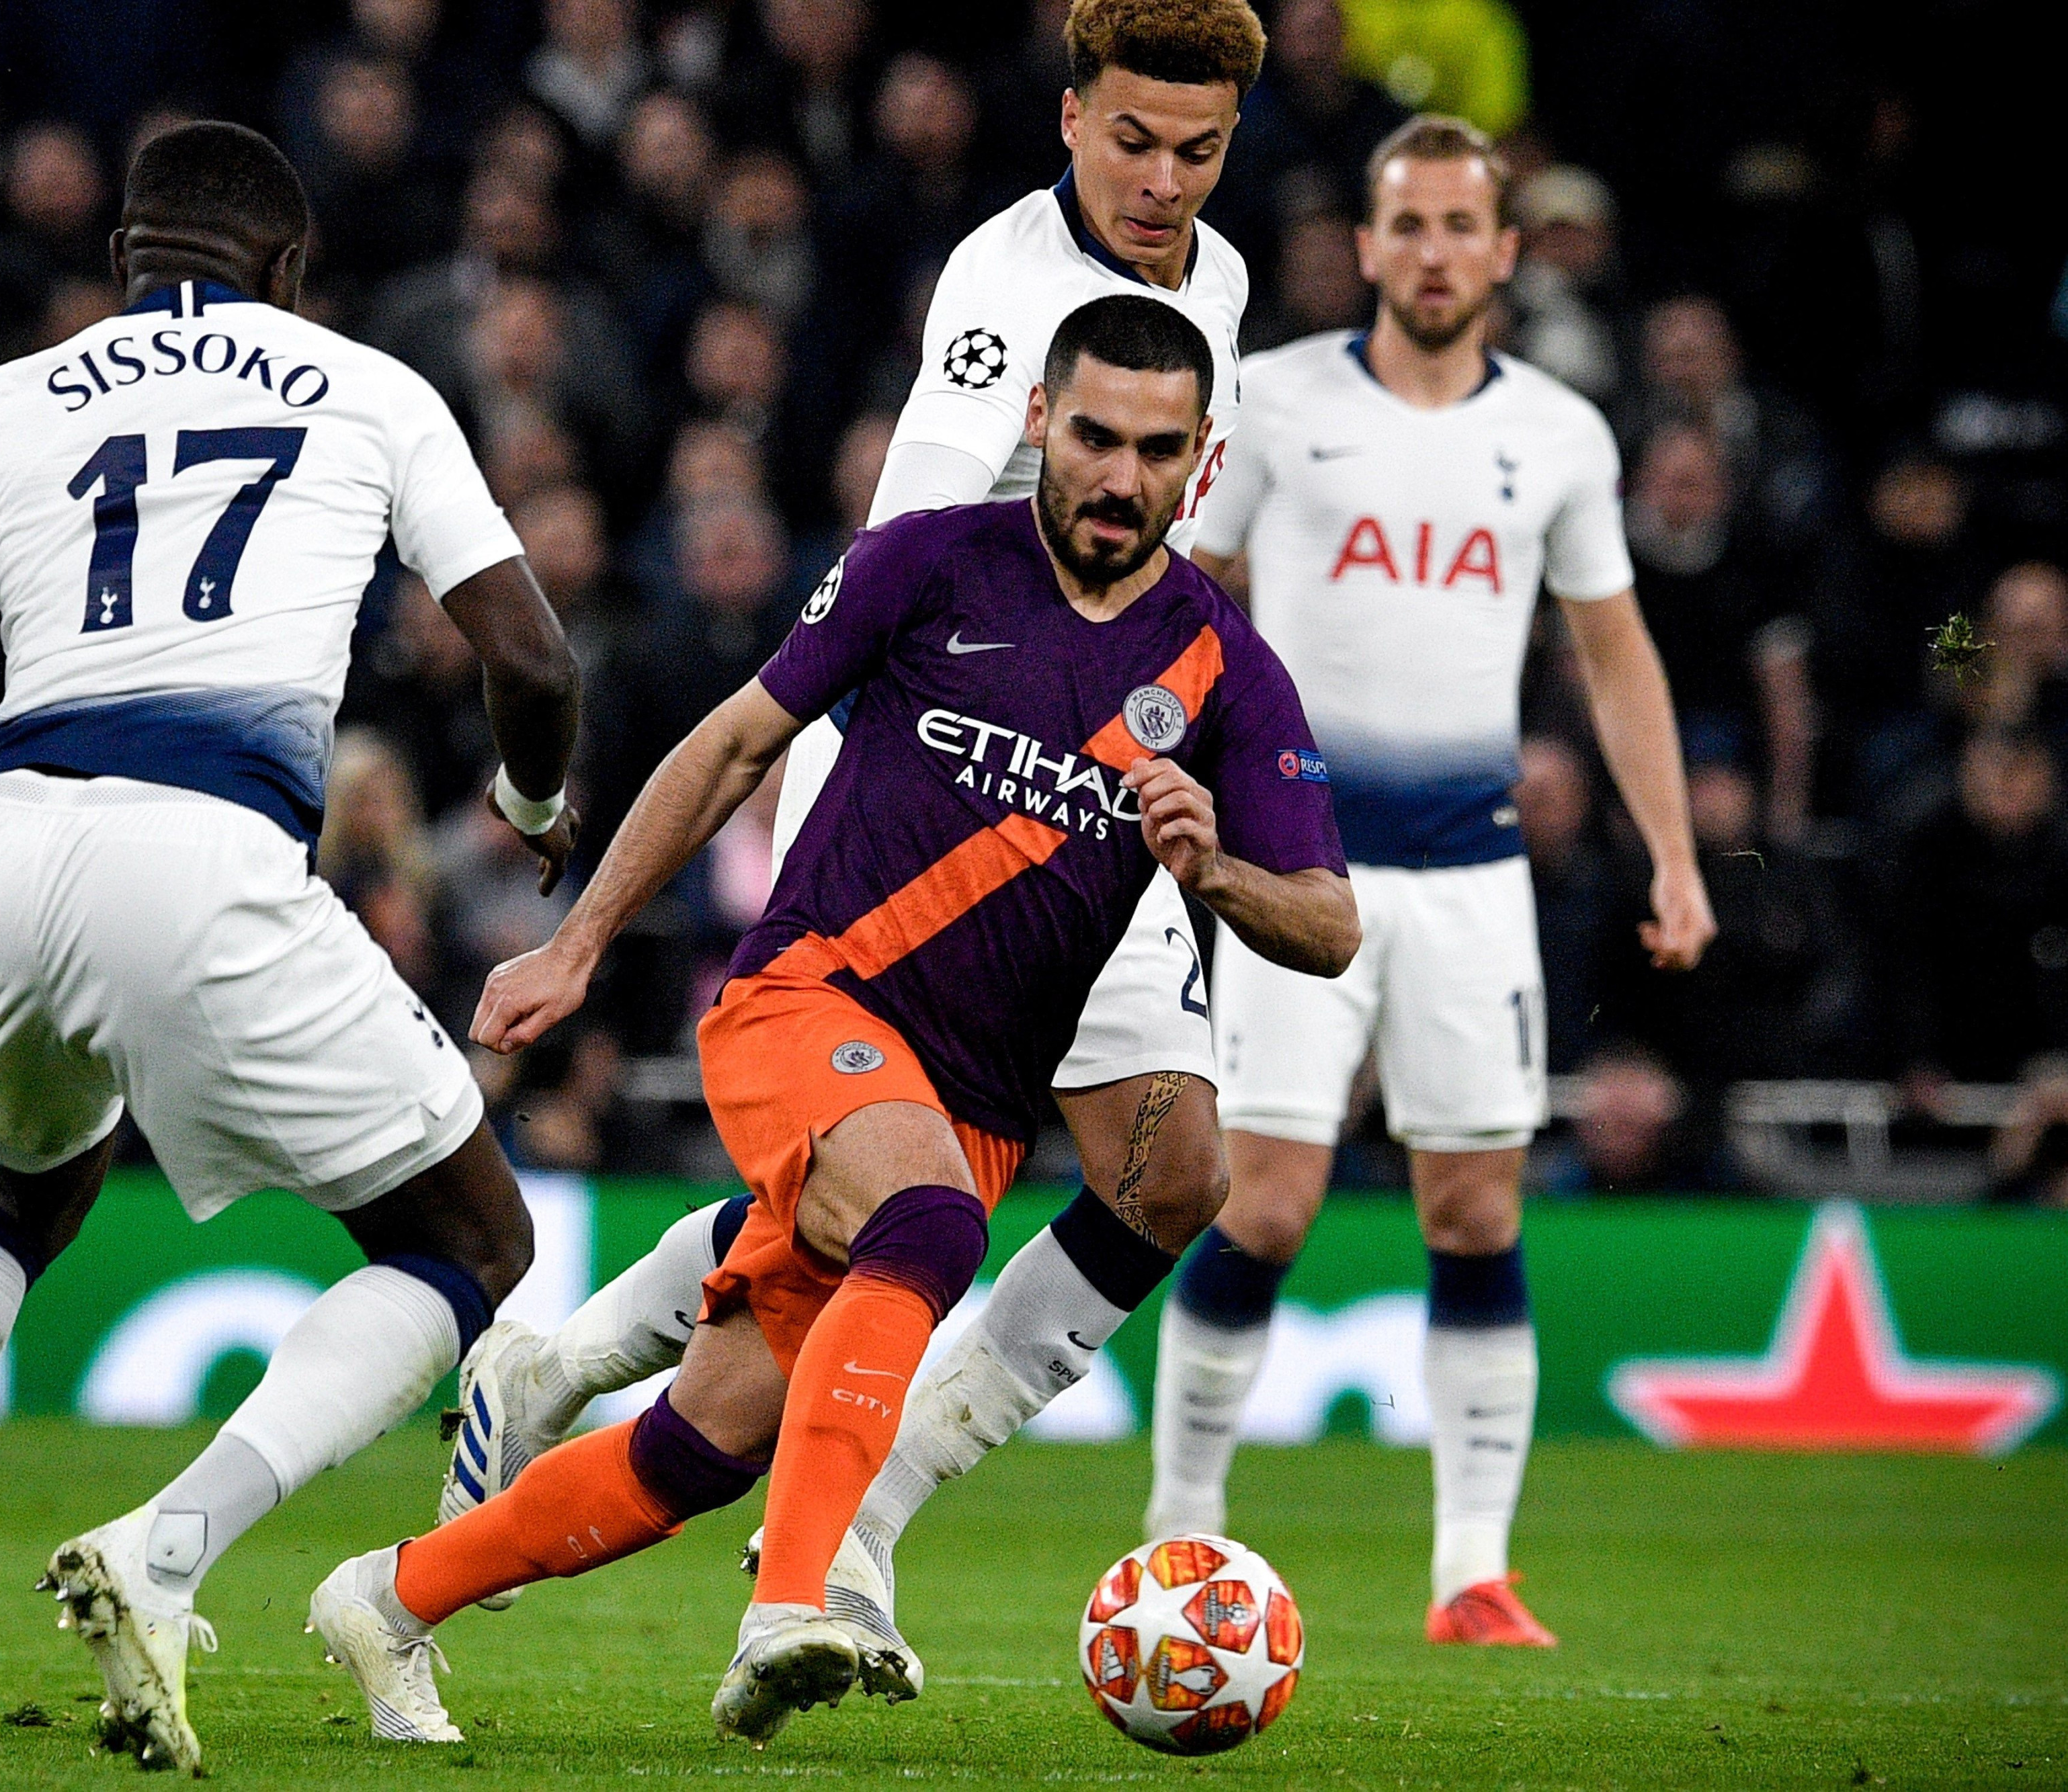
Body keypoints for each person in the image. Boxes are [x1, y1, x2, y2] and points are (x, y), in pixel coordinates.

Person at [310, 296, 1355, 1744]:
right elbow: (738, 739)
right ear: (1041, 420)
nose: (1119, 477)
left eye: (1157, 451)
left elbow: (1328, 924)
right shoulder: (927, 563)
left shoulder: (1224, 668)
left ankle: (388, 1596)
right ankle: (795, 1600)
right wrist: (581, 938)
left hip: (974, 1105)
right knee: (925, 1226)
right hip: (811, 999)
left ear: (1202, 458)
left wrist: (1217, 867)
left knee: (701, 1444)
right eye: (1096, 435)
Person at [0, 122, 581, 1775]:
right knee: (472, 1241)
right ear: (284, 270)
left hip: (7, 850)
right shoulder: (369, 387)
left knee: (24, 1190)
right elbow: (532, 660)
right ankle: (166, 1548)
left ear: (125, 260)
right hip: (207, 848)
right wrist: (526, 794)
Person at [436, 0, 1282, 1670]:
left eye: (1196, 150)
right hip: (937, 772)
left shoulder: (1224, 282)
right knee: (889, 1189)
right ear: (1064, 117)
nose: (1160, 181)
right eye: (1130, 139)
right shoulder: (1001, 292)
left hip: (1099, 776)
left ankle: (587, 1377)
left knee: (1171, 1171)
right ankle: (833, 1538)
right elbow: (921, 564)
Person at [1148, 116, 1716, 1646]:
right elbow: (1181, 601)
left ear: (1505, 251)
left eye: (1463, 225)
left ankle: (1470, 1568)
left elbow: (1613, 652)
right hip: (1295, 868)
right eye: (1408, 224)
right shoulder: (1270, 404)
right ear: (1372, 244)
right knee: (1256, 1204)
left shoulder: (1559, 434)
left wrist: (1669, 852)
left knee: (1473, 1208)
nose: (1435, 252)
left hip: (1473, 876)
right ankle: (1175, 1538)